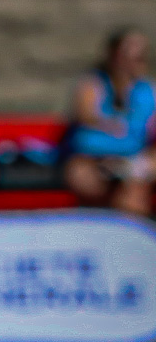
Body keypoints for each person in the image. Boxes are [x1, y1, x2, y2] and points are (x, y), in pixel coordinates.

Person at [64, 27, 154, 216]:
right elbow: (85, 116)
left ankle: (133, 237)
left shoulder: (148, 91)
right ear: (113, 55)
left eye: (139, 57)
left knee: (134, 190)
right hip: (93, 160)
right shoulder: (93, 84)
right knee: (86, 180)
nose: (132, 62)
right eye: (127, 55)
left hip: (132, 160)